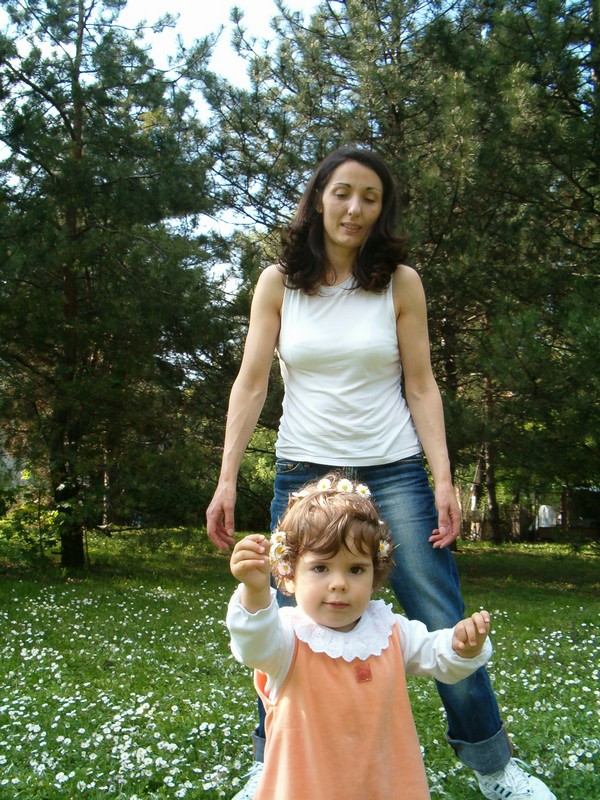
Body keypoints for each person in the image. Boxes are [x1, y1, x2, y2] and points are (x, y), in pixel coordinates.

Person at [206, 145, 556, 800]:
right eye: (342, 192)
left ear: (382, 209)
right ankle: (272, 765)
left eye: (370, 197)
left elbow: (421, 386)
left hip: (393, 468)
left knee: (439, 607)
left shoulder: (401, 283)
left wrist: (443, 478)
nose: (354, 208)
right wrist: (227, 479)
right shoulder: (278, 283)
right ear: (319, 198)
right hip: (304, 469)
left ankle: (493, 766)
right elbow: (251, 384)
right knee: (291, 617)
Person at [227, 475, 493, 800]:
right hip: (307, 785)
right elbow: (255, 647)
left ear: (374, 574)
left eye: (355, 569)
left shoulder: (389, 631)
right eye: (321, 568)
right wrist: (255, 593)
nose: (339, 583)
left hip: (383, 782)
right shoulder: (287, 638)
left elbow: (435, 654)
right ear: (290, 574)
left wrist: (461, 647)